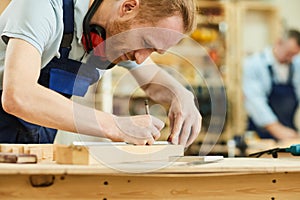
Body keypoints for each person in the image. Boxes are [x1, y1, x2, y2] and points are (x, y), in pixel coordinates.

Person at [0, 0, 202, 147]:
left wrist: (182, 95)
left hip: (29, 146)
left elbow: (152, 81)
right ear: (128, 7)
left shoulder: (115, 37)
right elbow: (19, 95)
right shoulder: (44, 7)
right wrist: (115, 125)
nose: (141, 59)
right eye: (147, 43)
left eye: (154, 51)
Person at [243, 29, 300, 141]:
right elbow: (255, 101)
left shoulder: (296, 64)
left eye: (294, 55)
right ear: (279, 42)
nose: (291, 58)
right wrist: (276, 129)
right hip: (260, 134)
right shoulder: (254, 64)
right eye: (288, 53)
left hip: (289, 131)